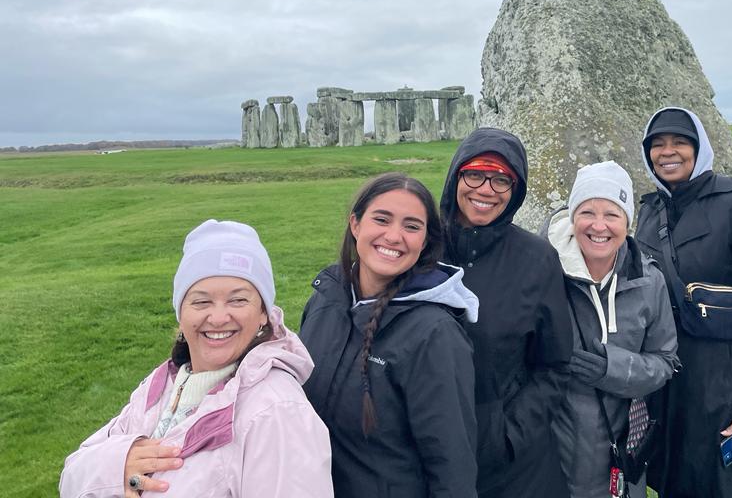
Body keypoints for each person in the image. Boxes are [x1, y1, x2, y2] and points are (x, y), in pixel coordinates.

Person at [60, 219, 332, 498]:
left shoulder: (277, 412)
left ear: (264, 313)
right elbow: (71, 476)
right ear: (181, 313)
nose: (217, 317)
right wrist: (118, 468)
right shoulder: (162, 385)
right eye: (201, 301)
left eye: (238, 300)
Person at [300, 172, 479, 498]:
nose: (394, 236)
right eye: (381, 219)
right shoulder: (326, 297)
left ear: (424, 241)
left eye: (412, 226)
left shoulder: (434, 335)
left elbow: (452, 464)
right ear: (356, 225)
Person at [634, 107, 732, 498]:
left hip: (721, 378)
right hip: (664, 379)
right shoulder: (649, 212)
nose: (668, 152)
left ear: (699, 147)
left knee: (711, 483)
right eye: (657, 144)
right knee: (669, 479)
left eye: (680, 142)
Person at [440, 127, 574, 498]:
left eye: (502, 180)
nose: (486, 189)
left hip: (511, 464)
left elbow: (555, 365)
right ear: (455, 177)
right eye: (475, 173)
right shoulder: (422, 248)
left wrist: (508, 436)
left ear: (516, 192)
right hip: (423, 446)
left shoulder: (537, 260)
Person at [542, 161, 678, 497]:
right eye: (587, 211)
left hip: (621, 457)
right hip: (548, 459)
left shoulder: (649, 280)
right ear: (572, 215)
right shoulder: (540, 272)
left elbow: (665, 360)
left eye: (613, 214)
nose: (599, 226)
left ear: (628, 222)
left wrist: (611, 368)